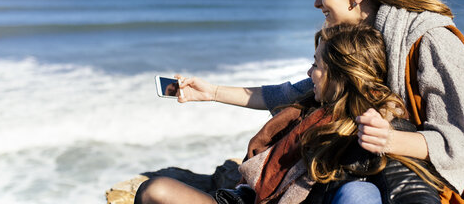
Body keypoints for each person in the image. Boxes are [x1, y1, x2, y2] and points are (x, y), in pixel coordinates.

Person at [160, 0, 464, 204]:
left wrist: (389, 139)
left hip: (444, 186)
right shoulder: (362, 45)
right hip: (375, 171)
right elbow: (290, 93)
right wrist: (211, 92)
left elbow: (456, 145)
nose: (316, 1)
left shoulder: (431, 40)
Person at [135, 24, 442, 204]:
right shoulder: (311, 106)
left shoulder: (376, 125)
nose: (310, 73)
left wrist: (387, 140)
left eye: (317, 66)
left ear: (340, 74)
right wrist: (210, 92)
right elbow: (271, 94)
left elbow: (410, 188)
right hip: (247, 199)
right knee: (155, 190)